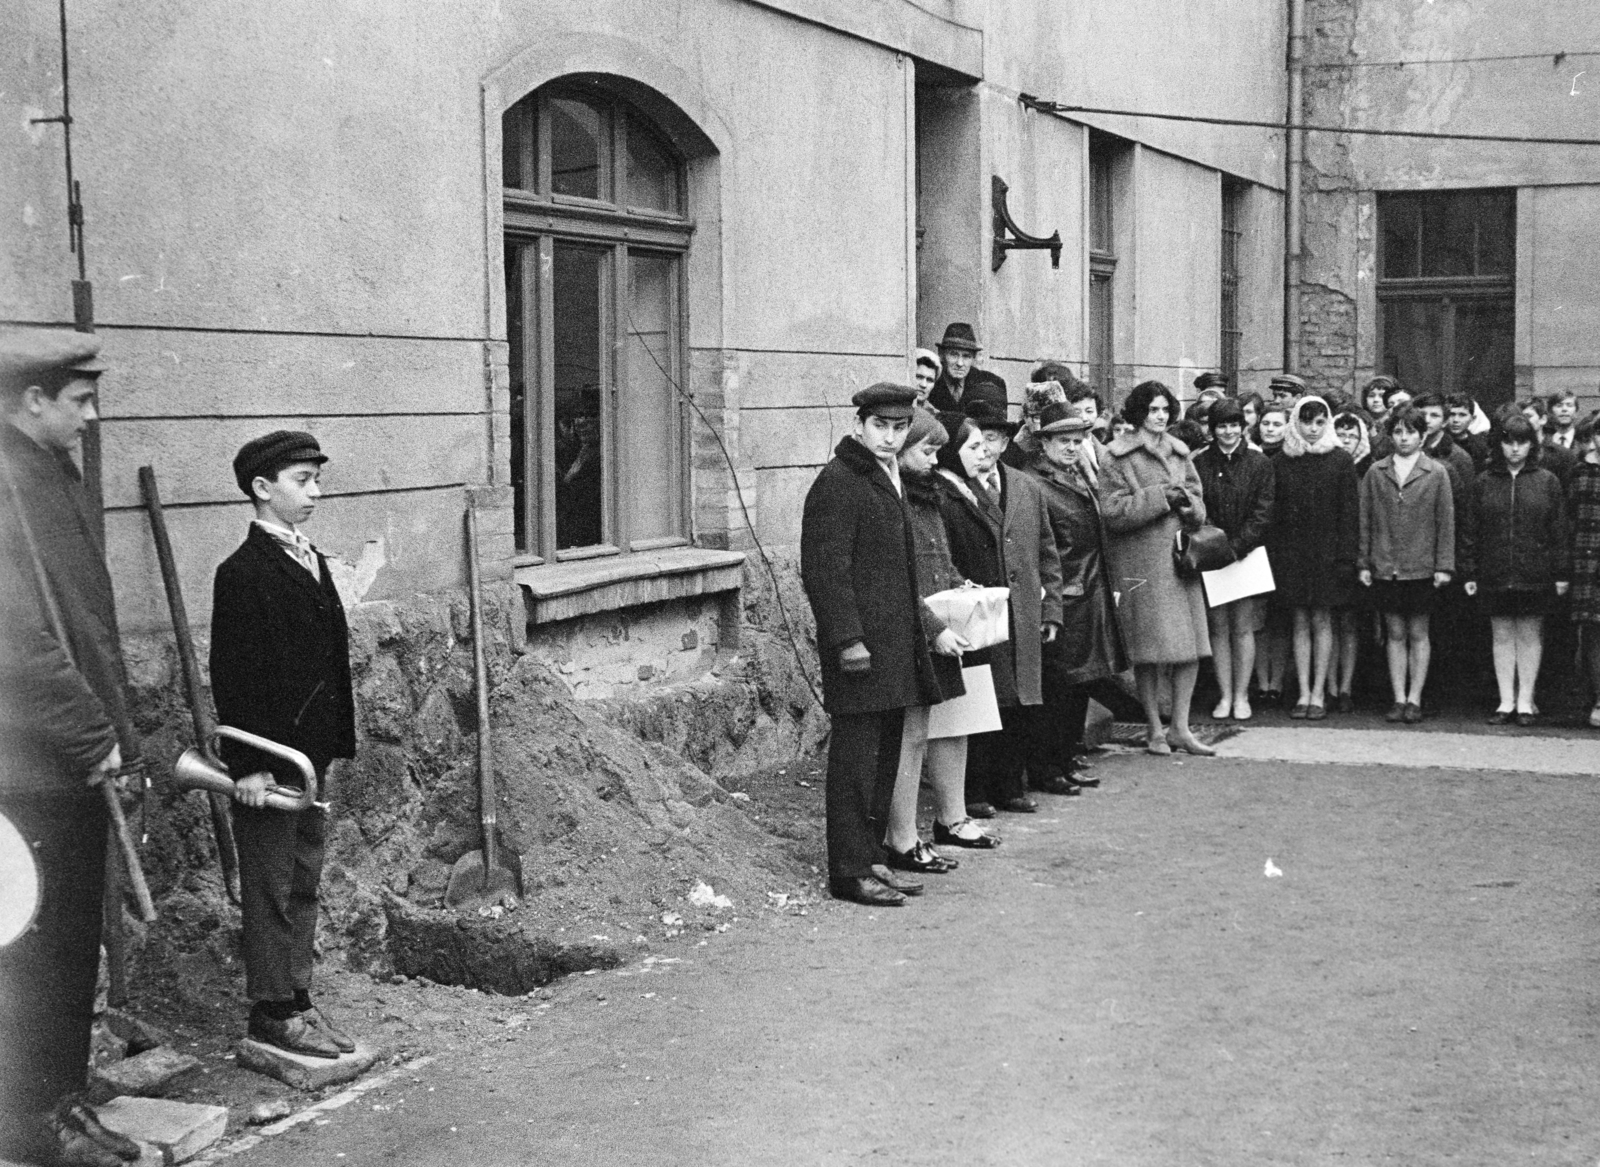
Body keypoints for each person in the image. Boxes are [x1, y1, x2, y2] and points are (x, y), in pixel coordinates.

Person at [0, 329, 150, 1167]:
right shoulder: (3, 485)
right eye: (79, 401)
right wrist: (92, 733)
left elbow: (84, 621)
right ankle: (29, 1120)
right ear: (31, 401)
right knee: (36, 944)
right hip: (29, 765)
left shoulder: (47, 475)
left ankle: (57, 1090)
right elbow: (16, 638)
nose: (91, 418)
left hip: (69, 757)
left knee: (67, 941)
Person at [210, 431, 359, 1058]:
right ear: (262, 488)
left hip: (309, 761)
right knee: (269, 886)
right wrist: (247, 766)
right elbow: (233, 673)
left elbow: (330, 661)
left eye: (317, 479)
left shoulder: (312, 559)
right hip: (268, 767)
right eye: (302, 480)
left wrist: (331, 749)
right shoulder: (242, 572)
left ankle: (298, 1000)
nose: (315, 492)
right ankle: (271, 1011)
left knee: (302, 881)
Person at [801, 385, 940, 906]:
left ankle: (873, 858)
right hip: (860, 651)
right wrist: (847, 641)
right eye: (880, 426)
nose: (889, 436)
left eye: (899, 427)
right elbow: (824, 571)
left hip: (894, 646)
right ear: (859, 424)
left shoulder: (887, 475)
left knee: (883, 759)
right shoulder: (839, 482)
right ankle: (848, 871)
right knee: (856, 761)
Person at [886, 409, 995, 866]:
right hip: (922, 631)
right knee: (910, 736)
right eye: (927, 451)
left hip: (947, 623)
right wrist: (934, 629)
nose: (934, 460)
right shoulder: (895, 501)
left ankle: (952, 816)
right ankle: (903, 835)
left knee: (957, 723)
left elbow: (938, 560)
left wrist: (960, 583)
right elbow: (898, 578)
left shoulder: (928, 497)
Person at [1098, 380, 1215, 756]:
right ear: (1138, 413)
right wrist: (1159, 497)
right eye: (1153, 410)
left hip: (1181, 563)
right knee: (1148, 652)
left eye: (1165, 409)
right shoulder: (1117, 456)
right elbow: (1112, 512)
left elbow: (1199, 504)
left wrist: (1189, 507)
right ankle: (1153, 729)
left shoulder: (1181, 452)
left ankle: (1180, 728)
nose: (1160, 416)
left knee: (1190, 648)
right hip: (1141, 564)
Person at [960, 399, 1064, 809]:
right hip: (983, 613)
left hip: (1023, 612)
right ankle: (975, 792)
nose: (987, 449)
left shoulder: (1026, 487)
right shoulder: (957, 489)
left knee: (1021, 700)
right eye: (979, 440)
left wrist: (1051, 608)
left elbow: (1047, 553)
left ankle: (1010, 787)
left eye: (995, 439)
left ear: (1005, 443)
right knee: (984, 699)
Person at [1023, 401, 1129, 787]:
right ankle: (1047, 767)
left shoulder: (1077, 474)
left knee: (1081, 683)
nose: (1072, 447)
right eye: (1064, 440)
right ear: (1044, 442)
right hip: (1063, 596)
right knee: (1058, 688)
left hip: (1089, 593)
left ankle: (1066, 757)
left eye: (1077, 440)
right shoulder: (1034, 482)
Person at [1460, 414, 1570, 725]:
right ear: (1499, 445)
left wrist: (1561, 573)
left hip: (1535, 572)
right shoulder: (1483, 482)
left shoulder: (1547, 481)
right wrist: (1469, 571)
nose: (1515, 449)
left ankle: (1525, 700)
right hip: (1494, 571)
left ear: (1531, 445)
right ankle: (1505, 700)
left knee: (1530, 635)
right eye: (1508, 442)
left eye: (1521, 442)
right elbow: (1471, 530)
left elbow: (1559, 531)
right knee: (1502, 635)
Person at [1358, 407, 1456, 723]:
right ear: (1391, 436)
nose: (1404, 439)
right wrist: (1364, 561)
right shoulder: (1377, 472)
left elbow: (1446, 522)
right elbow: (1366, 521)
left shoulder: (1436, 472)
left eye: (1410, 432)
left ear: (1422, 436)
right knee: (1395, 632)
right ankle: (1398, 697)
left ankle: (1416, 698)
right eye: (1398, 432)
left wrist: (1444, 565)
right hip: (1386, 565)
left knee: (1419, 632)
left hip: (1422, 566)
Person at [1267, 395, 1360, 718]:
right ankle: (1303, 692)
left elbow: (1350, 516)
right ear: (1296, 422)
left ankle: (1319, 692)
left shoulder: (1340, 461)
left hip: (1328, 557)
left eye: (1320, 422)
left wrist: (1347, 559)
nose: (1313, 429)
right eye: (1306, 421)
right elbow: (1274, 516)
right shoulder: (1281, 461)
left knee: (1322, 621)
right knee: (1299, 622)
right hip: (1292, 555)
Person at [1193, 400, 1275, 721]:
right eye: (1221, 426)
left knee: (1243, 628)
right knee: (1217, 629)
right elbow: (1199, 506)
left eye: (1233, 425)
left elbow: (1263, 512)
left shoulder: (1259, 463)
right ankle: (1224, 695)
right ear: (1212, 429)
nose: (1228, 432)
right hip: (1212, 554)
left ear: (1243, 427)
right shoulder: (1201, 463)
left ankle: (1242, 696)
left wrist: (1237, 547)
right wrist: (1217, 543)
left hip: (1246, 554)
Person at [1566, 412, 1600, 728]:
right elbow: (1569, 517)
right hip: (1588, 561)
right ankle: (1598, 700)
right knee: (1592, 635)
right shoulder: (1579, 471)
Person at [925, 323, 1007, 414]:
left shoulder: (991, 382)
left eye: (966, 356)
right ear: (941, 354)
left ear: (973, 358)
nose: (960, 363)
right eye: (953, 354)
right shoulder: (928, 382)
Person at [1519, 398, 1577, 487]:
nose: (1523, 421)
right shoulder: (1514, 452)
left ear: (1543, 419)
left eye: (1528, 416)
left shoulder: (1563, 454)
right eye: (1519, 417)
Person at [1445, 393, 1490, 471]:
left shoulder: (1480, 446)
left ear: (1472, 419)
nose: (1456, 420)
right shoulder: (1437, 442)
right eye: (1452, 414)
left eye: (1462, 415)